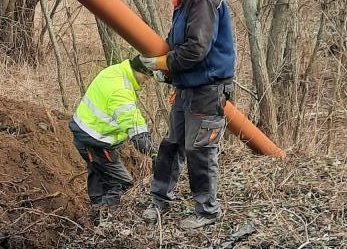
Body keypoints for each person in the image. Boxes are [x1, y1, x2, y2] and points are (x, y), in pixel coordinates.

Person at [139, 0, 236, 230]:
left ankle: (207, 211)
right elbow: (175, 43)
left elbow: (196, 49)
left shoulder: (202, 2)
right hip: (187, 88)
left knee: (200, 149)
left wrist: (164, 63)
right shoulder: (182, 6)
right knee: (171, 144)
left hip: (208, 89)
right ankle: (159, 200)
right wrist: (169, 75)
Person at [70, 55, 155, 214]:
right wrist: (154, 151)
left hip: (84, 134)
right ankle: (104, 215)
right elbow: (133, 123)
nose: (147, 81)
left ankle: (95, 214)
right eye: (145, 76)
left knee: (99, 177)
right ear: (136, 70)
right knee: (123, 185)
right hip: (96, 142)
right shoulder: (120, 89)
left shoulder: (116, 71)